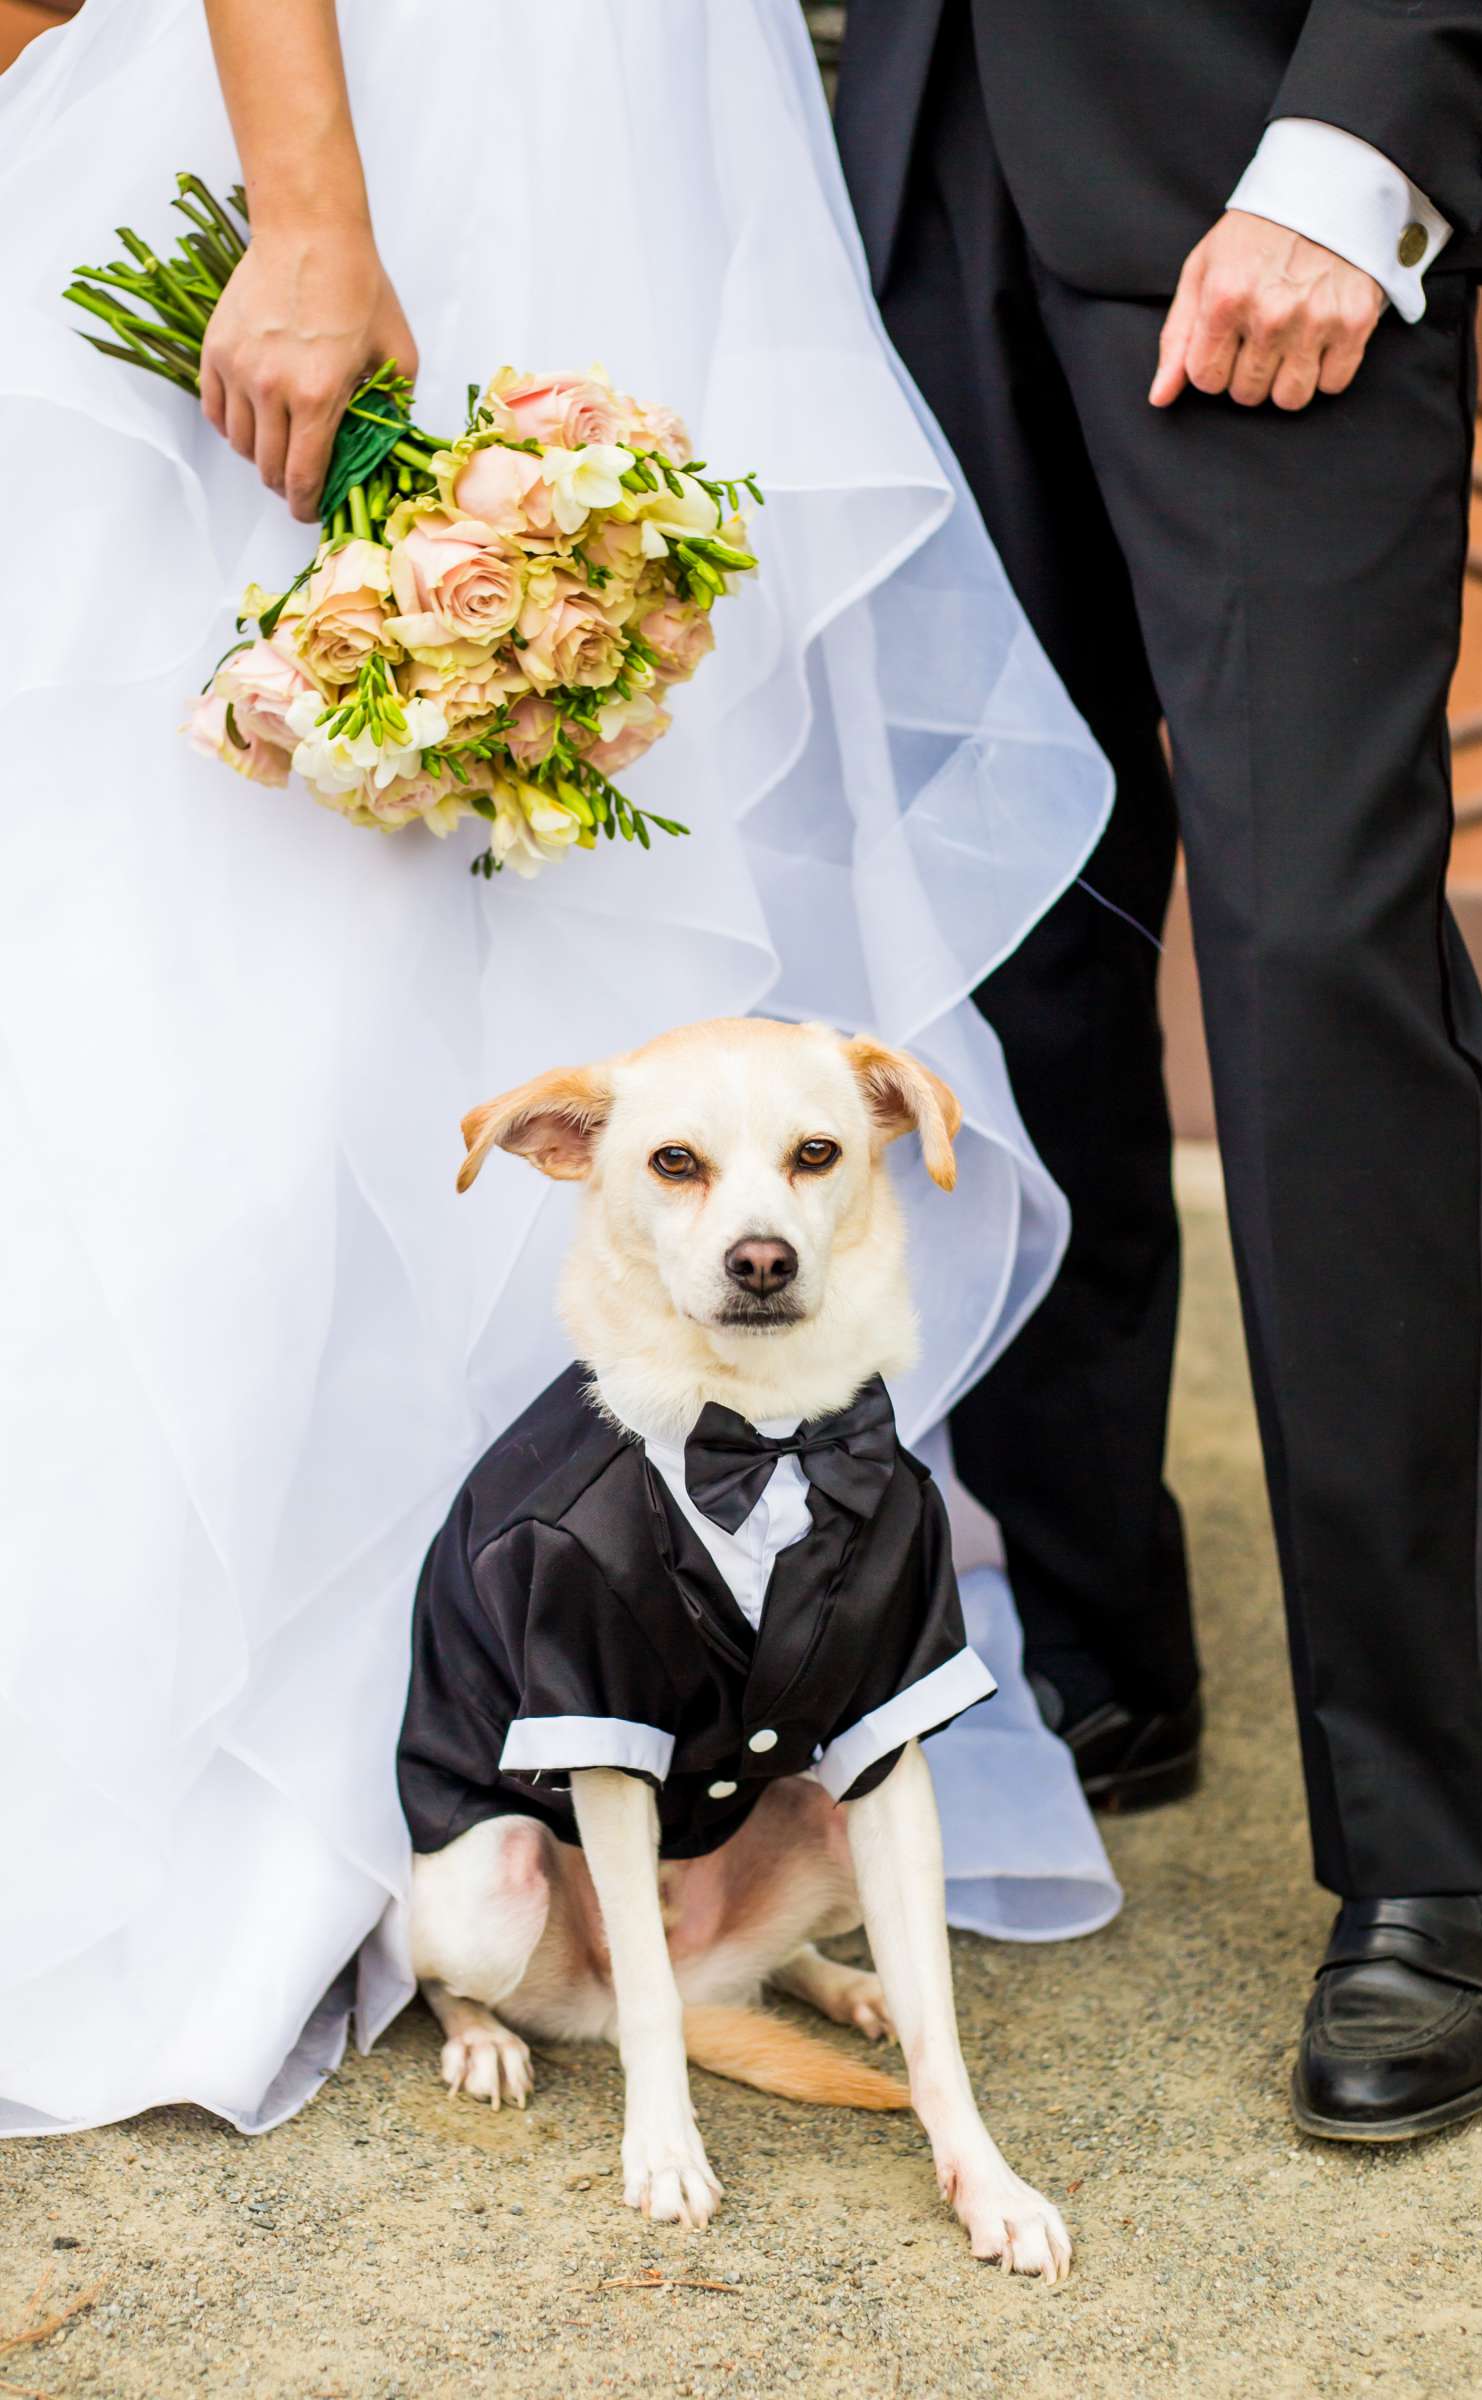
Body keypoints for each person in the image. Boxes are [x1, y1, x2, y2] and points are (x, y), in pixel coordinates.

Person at [0, 0, 1122, 2141]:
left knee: (582, 889)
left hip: (662, 138)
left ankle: (522, 1740)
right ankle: (239, 1766)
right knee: (267, 949)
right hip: (394, 125)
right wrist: (311, 216)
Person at [836, 0, 1482, 2140]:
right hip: (885, 165)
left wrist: (1358, 150)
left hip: (1256, 160)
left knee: (1311, 978)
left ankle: (1426, 1852)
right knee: (1011, 952)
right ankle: (1091, 1646)